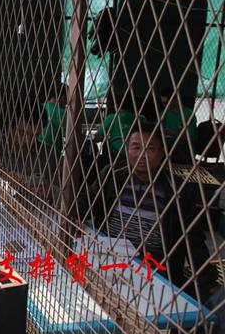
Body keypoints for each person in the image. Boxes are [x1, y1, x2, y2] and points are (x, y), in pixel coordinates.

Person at [81, 123, 219, 301]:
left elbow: (193, 238)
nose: (142, 154)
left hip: (153, 265)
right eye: (135, 147)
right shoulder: (112, 176)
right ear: (127, 150)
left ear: (162, 152)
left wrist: (206, 280)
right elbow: (85, 203)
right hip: (111, 257)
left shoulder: (176, 188)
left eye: (150, 148)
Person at [94, 93, 144, 162]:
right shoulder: (141, 118)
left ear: (117, 105)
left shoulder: (112, 118)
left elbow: (98, 137)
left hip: (117, 154)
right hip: (138, 153)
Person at [160, 88, 197, 163]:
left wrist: (170, 132)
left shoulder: (188, 114)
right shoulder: (165, 112)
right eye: (163, 103)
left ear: (176, 100)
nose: (164, 106)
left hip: (183, 149)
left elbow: (189, 137)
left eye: (166, 103)